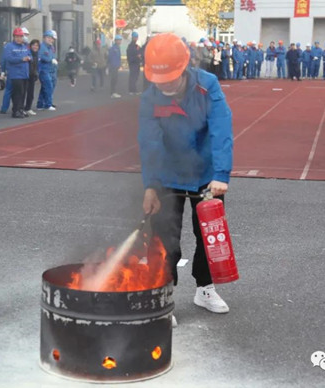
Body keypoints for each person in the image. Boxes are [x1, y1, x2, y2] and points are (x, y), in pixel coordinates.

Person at [139, 33, 233, 322]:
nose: (164, 84)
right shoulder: (149, 98)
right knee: (165, 240)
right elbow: (149, 143)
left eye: (169, 78)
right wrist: (152, 186)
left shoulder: (207, 86)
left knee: (209, 236)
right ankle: (164, 296)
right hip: (168, 175)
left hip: (206, 175)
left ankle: (204, 288)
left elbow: (221, 128)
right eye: (158, 79)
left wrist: (220, 174)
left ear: (184, 67)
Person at [3, 27, 31, 119]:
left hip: (24, 73)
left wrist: (29, 58)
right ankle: (15, 110)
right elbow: (9, 58)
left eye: (21, 36)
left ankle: (21, 109)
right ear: (14, 37)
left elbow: (29, 54)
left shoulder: (24, 46)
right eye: (17, 37)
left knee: (23, 93)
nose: (19, 39)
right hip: (15, 74)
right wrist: (21, 59)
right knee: (17, 93)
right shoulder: (9, 46)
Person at [37, 30, 57, 111]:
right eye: (48, 38)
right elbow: (40, 57)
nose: (50, 40)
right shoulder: (41, 47)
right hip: (44, 70)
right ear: (44, 38)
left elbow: (53, 56)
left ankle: (40, 104)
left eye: (52, 38)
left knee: (45, 88)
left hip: (51, 69)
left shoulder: (51, 47)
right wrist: (50, 60)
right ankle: (48, 104)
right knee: (48, 86)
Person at [24, 39, 40, 116]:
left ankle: (28, 108)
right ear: (30, 46)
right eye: (33, 45)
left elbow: (36, 66)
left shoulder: (37, 55)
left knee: (31, 93)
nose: (35, 47)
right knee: (22, 93)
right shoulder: (28, 53)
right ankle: (20, 108)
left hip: (32, 76)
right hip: (26, 75)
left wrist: (36, 74)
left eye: (37, 45)